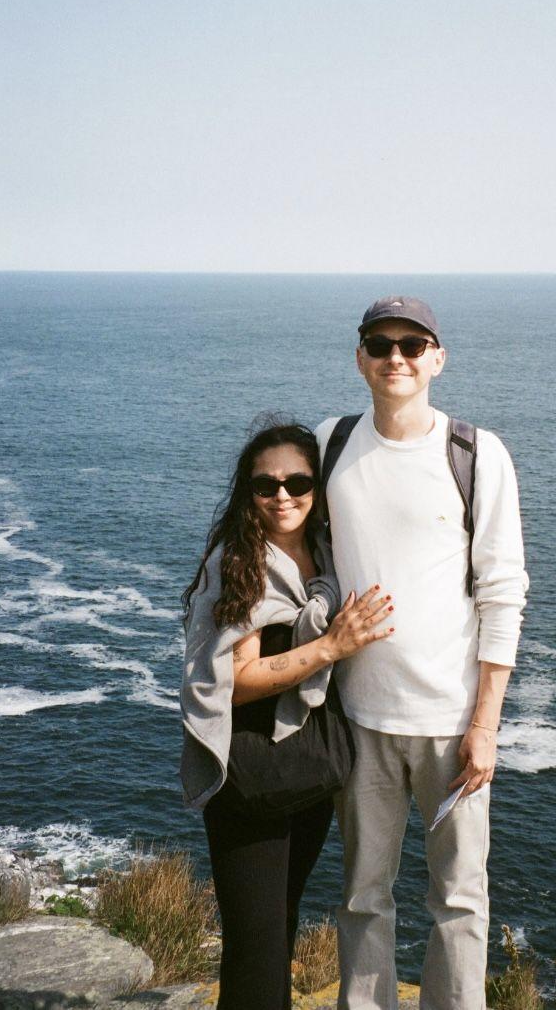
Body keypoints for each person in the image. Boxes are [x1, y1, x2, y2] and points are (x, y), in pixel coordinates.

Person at [316, 297, 529, 1010]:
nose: (396, 357)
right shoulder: (330, 443)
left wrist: (485, 725)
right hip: (359, 717)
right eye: (380, 344)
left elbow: (503, 591)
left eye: (413, 344)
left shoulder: (476, 454)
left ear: (438, 358)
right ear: (360, 359)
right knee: (361, 896)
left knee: (460, 900)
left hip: (451, 722)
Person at [179, 420, 395, 1010]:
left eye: (298, 482)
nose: (282, 496)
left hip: (307, 772)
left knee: (280, 928)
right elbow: (232, 683)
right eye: (265, 485)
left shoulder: (325, 554)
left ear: (317, 488)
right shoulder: (240, 563)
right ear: (247, 492)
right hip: (250, 779)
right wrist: (329, 647)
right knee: (254, 945)